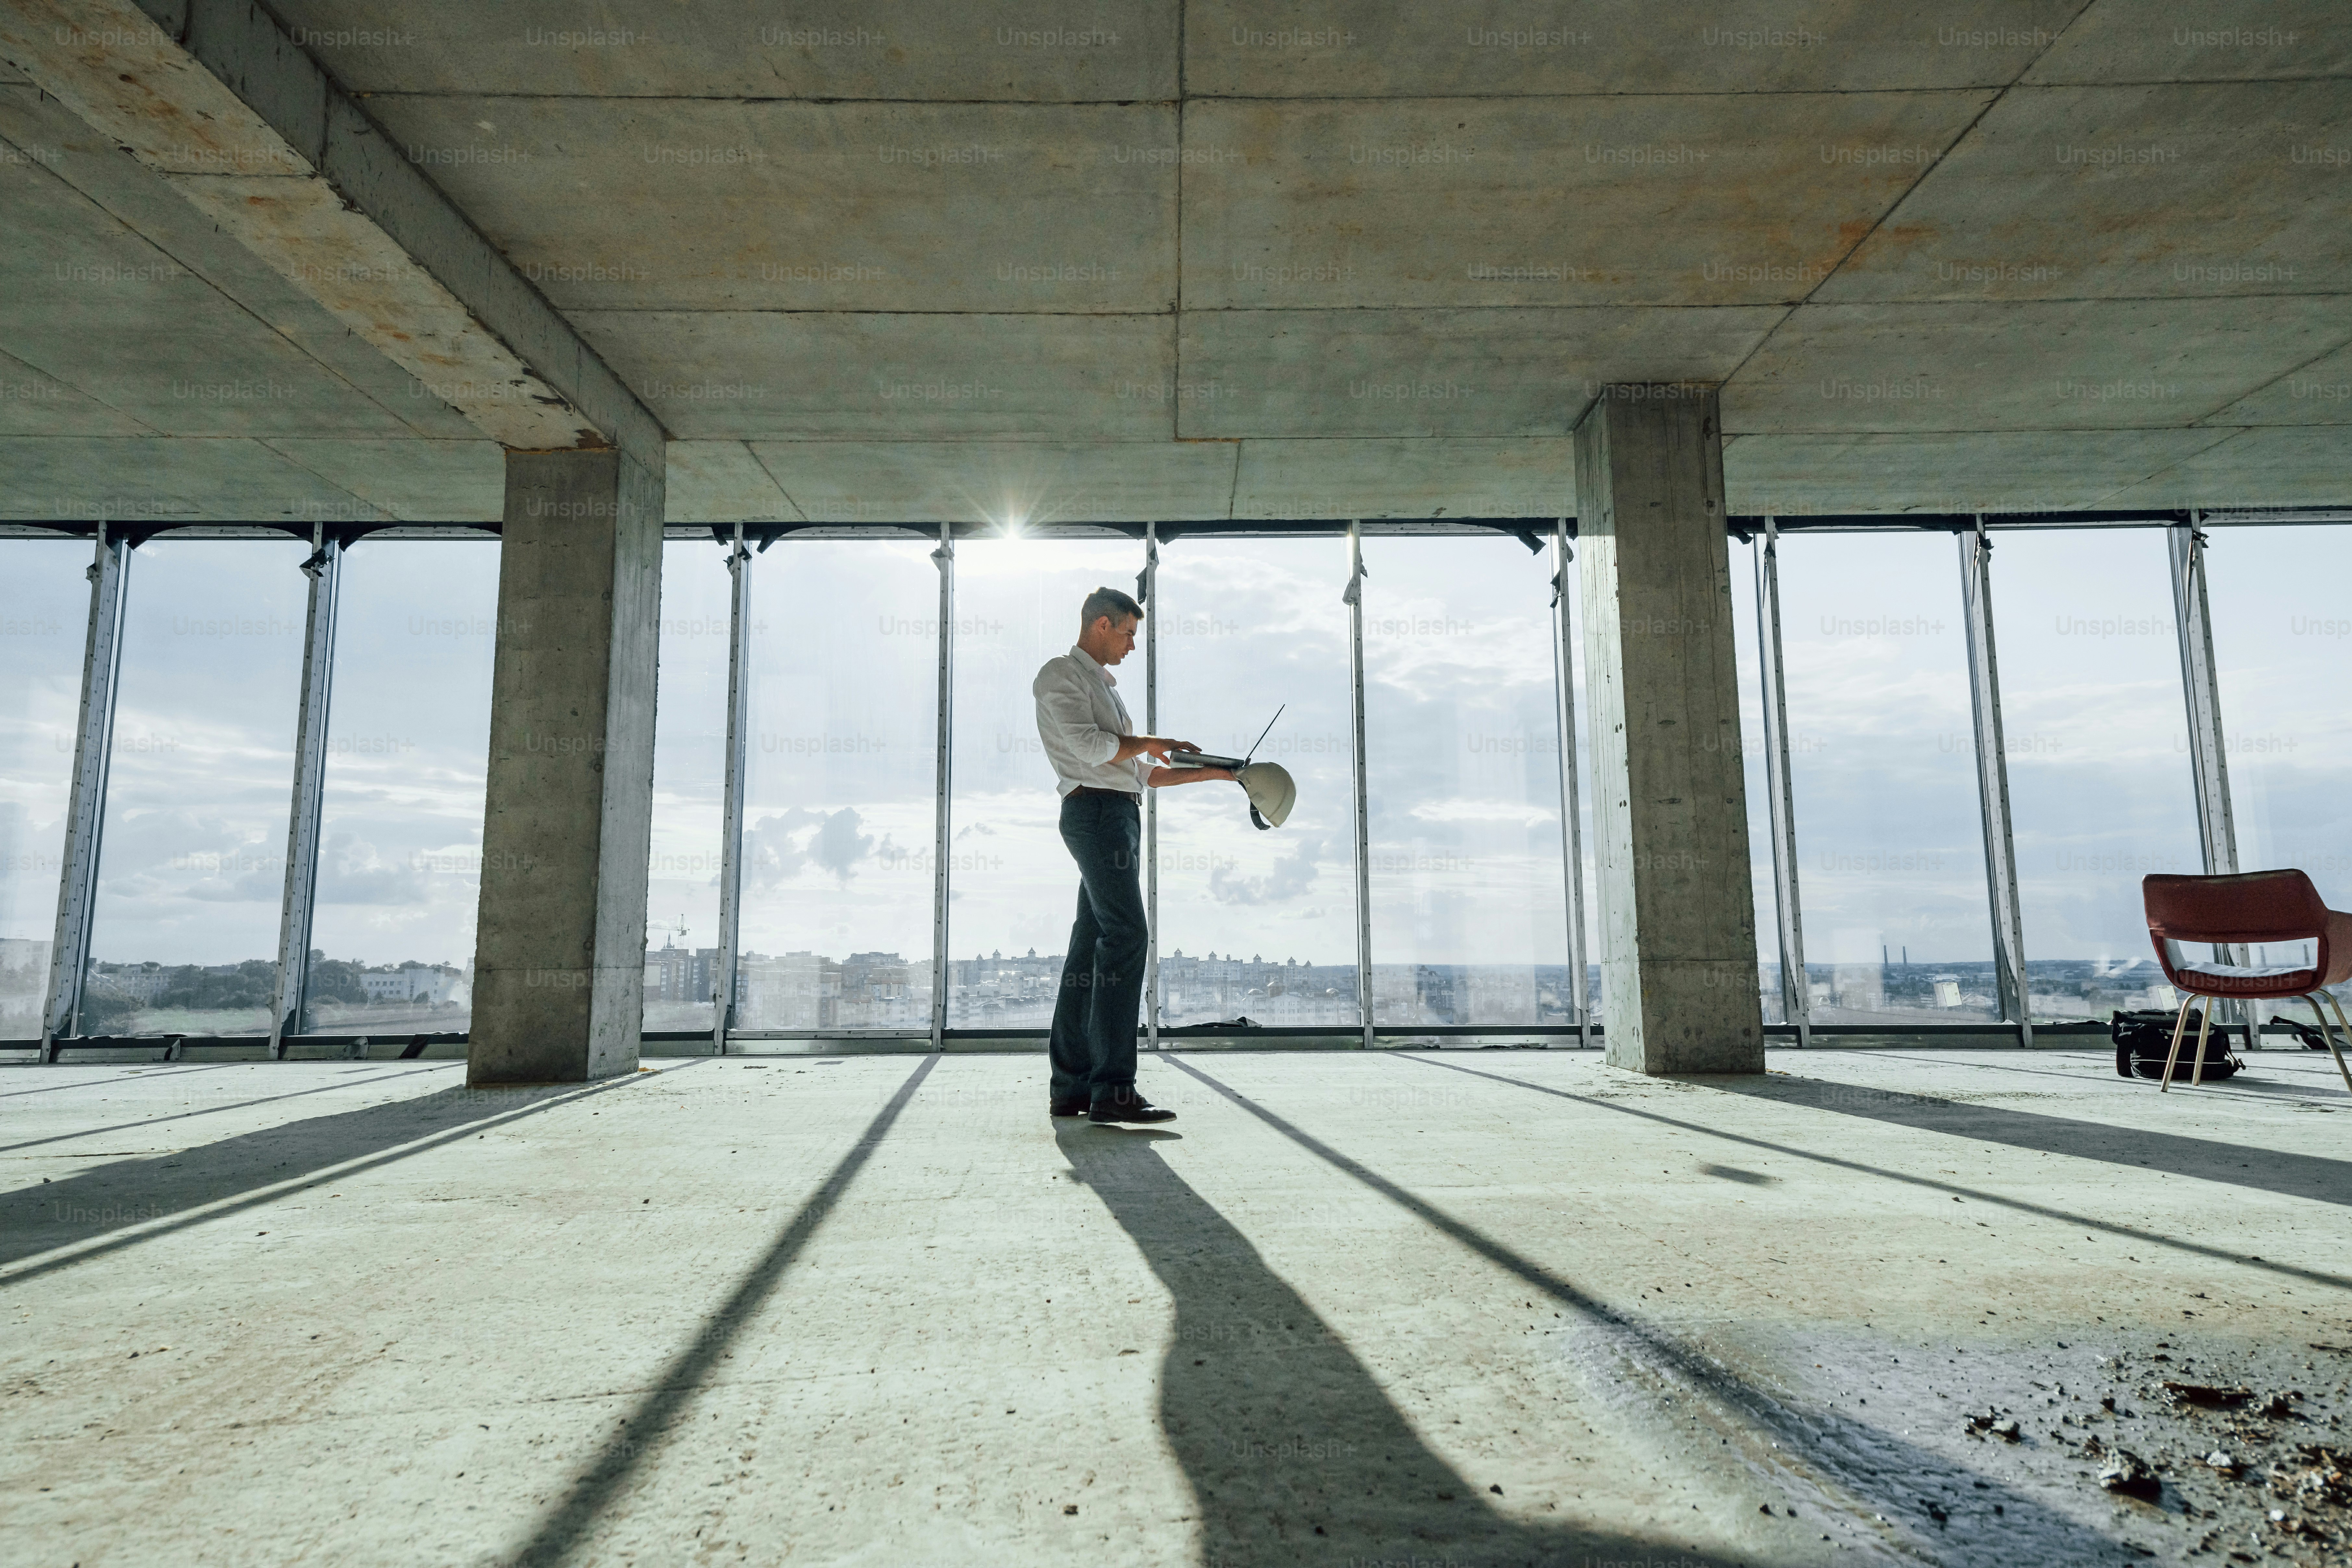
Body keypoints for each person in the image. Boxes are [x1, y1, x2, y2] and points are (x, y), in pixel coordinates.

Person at [1033, 586, 1232, 1123]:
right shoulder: (1061, 676)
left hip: (1114, 812)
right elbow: (1094, 750)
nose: (1130, 645)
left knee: (1088, 950)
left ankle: (1071, 1087)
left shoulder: (1104, 687)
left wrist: (1215, 772)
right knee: (1127, 936)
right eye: (1127, 634)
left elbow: (1136, 772)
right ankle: (1113, 1090)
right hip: (1096, 816)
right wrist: (1147, 739)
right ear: (1101, 624)